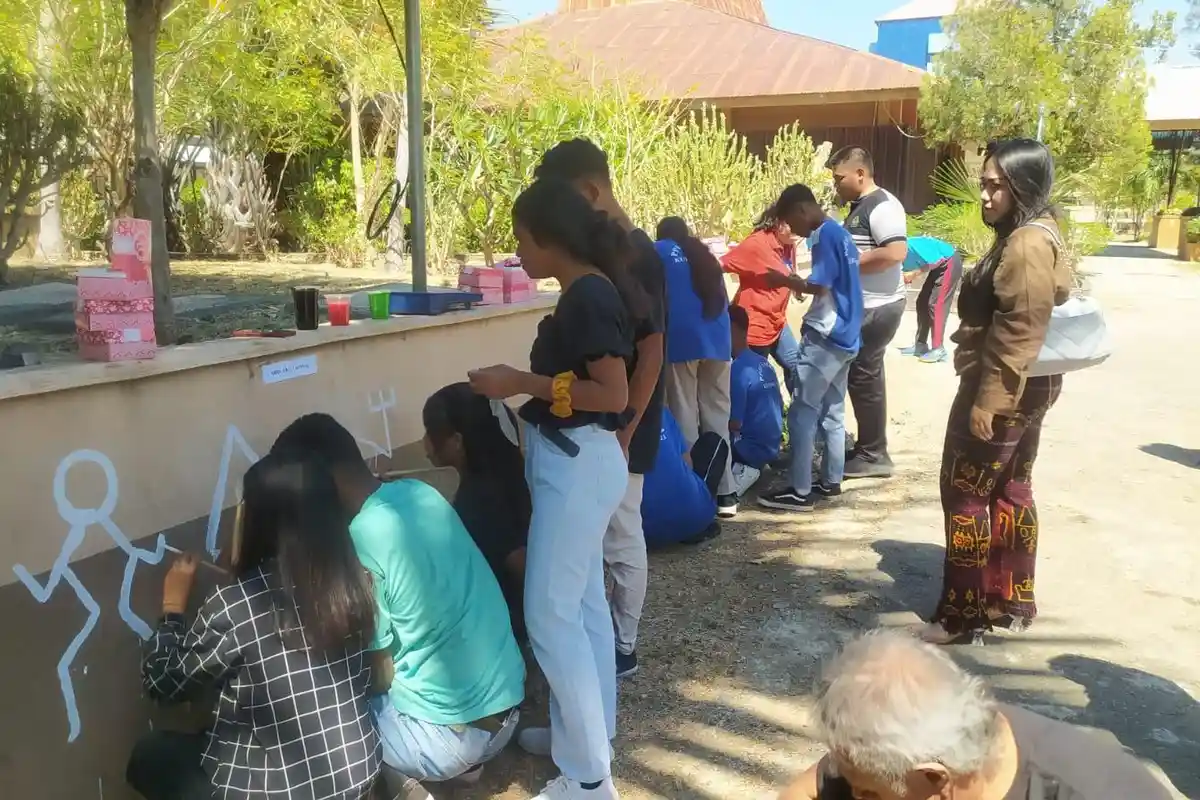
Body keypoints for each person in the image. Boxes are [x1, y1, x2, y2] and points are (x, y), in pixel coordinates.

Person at [468, 176, 639, 800]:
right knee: (585, 607)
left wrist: (519, 380)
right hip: (577, 462)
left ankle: (591, 779)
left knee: (549, 614)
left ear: (549, 239)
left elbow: (612, 395)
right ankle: (584, 736)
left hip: (575, 464)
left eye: (522, 240)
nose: (519, 253)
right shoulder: (587, 289)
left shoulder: (587, 297)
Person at [271, 413, 526, 787]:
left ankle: (410, 781)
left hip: (443, 741)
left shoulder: (361, 539)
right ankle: (459, 760)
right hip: (505, 710)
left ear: (320, 479)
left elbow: (379, 672)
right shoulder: (419, 491)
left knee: (317, 711)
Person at [128, 451, 380, 800]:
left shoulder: (241, 604)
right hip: (357, 777)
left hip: (283, 792)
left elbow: (163, 682)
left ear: (259, 521)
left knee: (151, 754)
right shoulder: (353, 582)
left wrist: (172, 609)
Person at [920, 139, 1071, 646]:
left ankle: (962, 616)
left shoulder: (1026, 243)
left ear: (1022, 187)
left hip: (1004, 389)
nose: (985, 196)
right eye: (982, 185)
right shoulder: (1040, 229)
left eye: (995, 186)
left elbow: (1020, 326)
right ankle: (1010, 598)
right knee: (1012, 488)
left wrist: (989, 400)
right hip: (1031, 386)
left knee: (965, 496)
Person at [534, 138, 666, 685]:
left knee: (621, 534)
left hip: (623, 423)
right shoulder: (602, 258)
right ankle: (601, 646)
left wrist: (626, 426)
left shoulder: (638, 253)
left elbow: (652, 349)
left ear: (590, 192)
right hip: (600, 425)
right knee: (595, 545)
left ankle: (624, 645)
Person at [776, 630, 1172, 800]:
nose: (856, 798)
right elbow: (808, 788)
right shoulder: (902, 741)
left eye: (869, 795)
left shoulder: (1101, 793)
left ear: (936, 777)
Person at [756, 184, 863, 513]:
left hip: (826, 336)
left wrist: (785, 280)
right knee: (833, 409)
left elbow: (820, 284)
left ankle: (799, 489)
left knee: (803, 411)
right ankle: (831, 479)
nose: (794, 231)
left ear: (803, 210)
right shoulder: (841, 233)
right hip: (847, 333)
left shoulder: (823, 235)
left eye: (791, 221)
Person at [423, 381, 530, 639]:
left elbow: (522, 564)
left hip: (503, 630)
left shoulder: (481, 501)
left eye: (430, 432)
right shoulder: (507, 479)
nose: (425, 441)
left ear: (457, 441)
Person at [828, 146, 909, 479]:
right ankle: (869, 447)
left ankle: (874, 454)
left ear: (860, 174)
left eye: (839, 178)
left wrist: (850, 263)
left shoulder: (882, 206)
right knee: (864, 377)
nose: (836, 186)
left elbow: (895, 251)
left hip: (878, 307)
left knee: (865, 377)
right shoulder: (861, 206)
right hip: (866, 306)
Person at [654, 216, 736, 517]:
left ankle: (695, 493)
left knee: (684, 415)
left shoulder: (659, 250)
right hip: (718, 343)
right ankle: (727, 494)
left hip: (681, 343)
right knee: (717, 416)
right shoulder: (704, 255)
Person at [721, 204, 801, 404]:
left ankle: (800, 418)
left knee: (797, 366)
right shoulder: (755, 245)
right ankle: (753, 425)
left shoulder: (789, 242)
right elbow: (719, 265)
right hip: (754, 328)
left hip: (777, 322)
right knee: (756, 381)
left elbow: (787, 270)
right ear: (778, 222)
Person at [641, 406, 729, 549]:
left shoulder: (606, 422)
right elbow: (687, 462)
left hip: (638, 531)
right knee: (713, 442)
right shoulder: (662, 412)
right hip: (694, 520)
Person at [727, 305, 784, 499]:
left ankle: (743, 470)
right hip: (773, 445)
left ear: (731, 329)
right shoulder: (763, 362)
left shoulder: (738, 370)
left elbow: (735, 423)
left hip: (751, 448)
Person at [901, 235, 965, 364]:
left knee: (937, 305)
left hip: (949, 262)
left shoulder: (912, 246)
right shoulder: (893, 254)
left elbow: (938, 260)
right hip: (937, 268)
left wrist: (915, 273)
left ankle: (938, 349)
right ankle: (921, 344)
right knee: (922, 302)